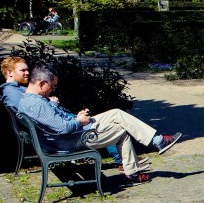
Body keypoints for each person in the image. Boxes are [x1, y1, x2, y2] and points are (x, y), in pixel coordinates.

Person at [18, 65, 180, 182]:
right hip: (71, 141)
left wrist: (62, 110)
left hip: (70, 134)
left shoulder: (30, 100)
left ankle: (154, 144)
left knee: (117, 114)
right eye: (52, 86)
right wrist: (79, 121)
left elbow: (54, 121)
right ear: (41, 84)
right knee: (121, 129)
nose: (53, 90)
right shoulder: (36, 104)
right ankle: (152, 147)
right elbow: (63, 128)